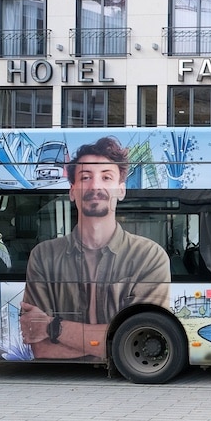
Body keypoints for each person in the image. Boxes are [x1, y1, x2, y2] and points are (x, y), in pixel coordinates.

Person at [19, 136, 171, 360]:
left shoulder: (150, 256)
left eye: (106, 177)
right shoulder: (43, 256)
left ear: (121, 189)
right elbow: (41, 348)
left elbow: (147, 334)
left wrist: (54, 328)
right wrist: (111, 344)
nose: (95, 186)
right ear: (72, 191)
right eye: (85, 177)